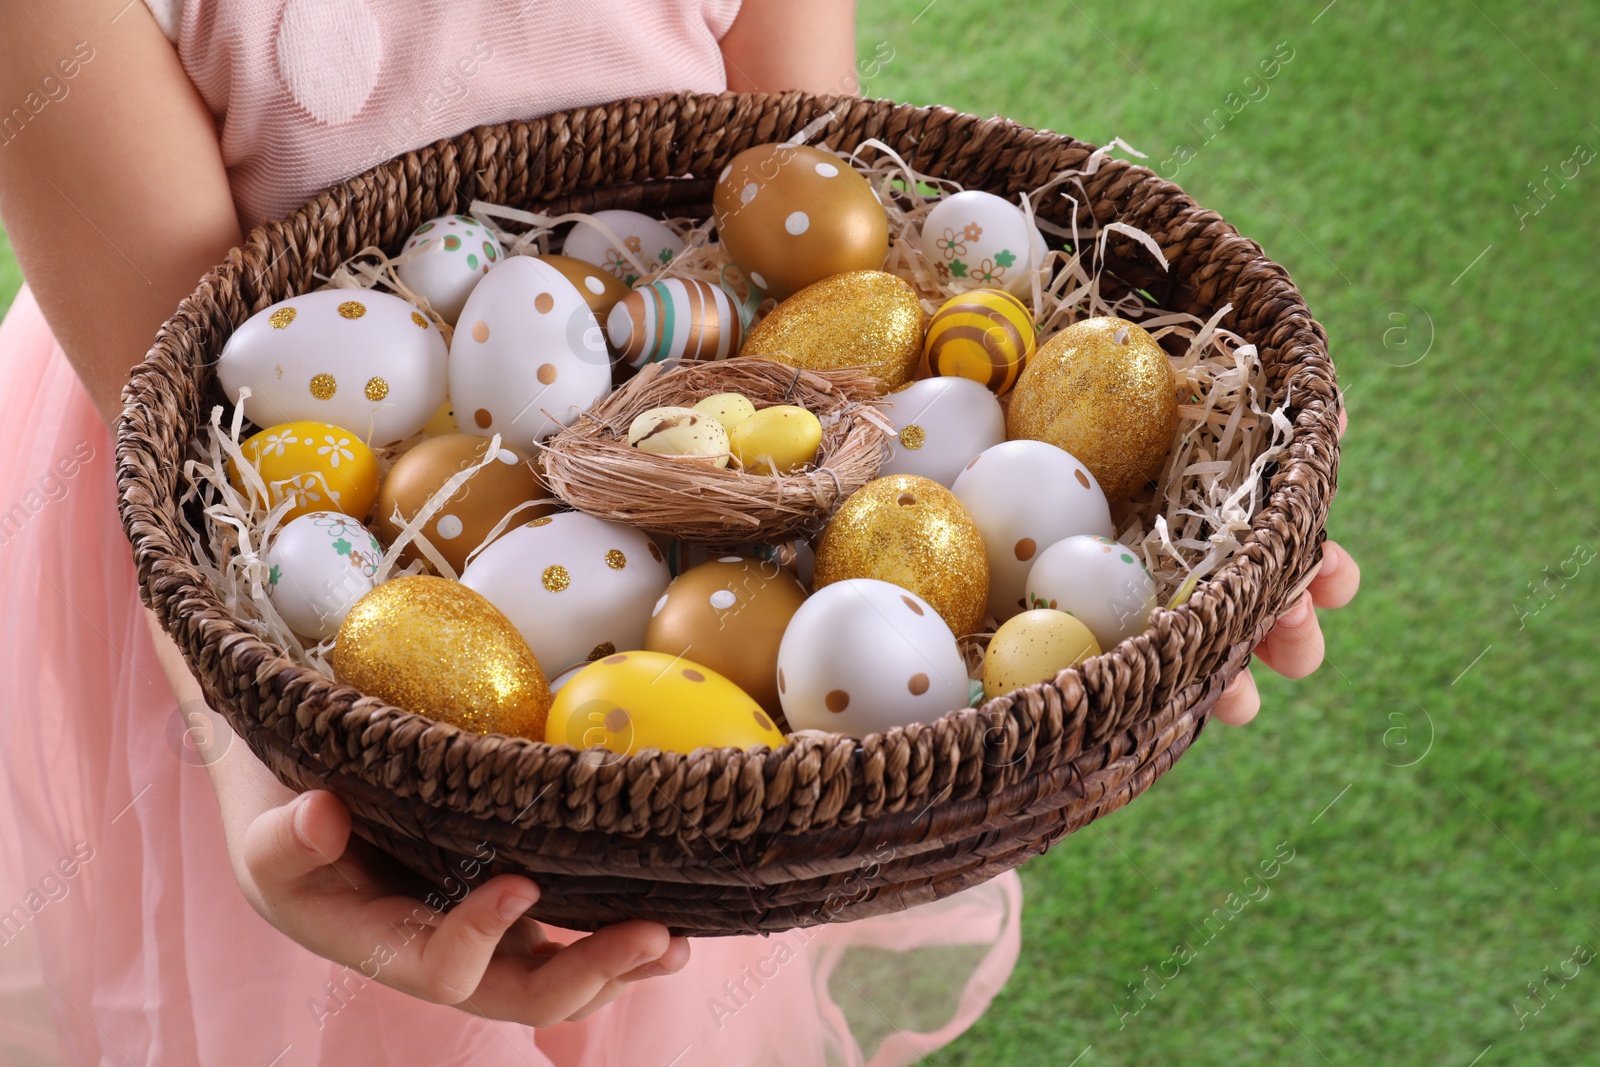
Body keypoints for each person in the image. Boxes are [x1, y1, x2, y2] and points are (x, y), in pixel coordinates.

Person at [0, 2, 1359, 1064]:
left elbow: (819, 241)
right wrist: (266, 777)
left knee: (669, 941)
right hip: (288, 637)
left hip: (707, 576)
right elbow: (191, 435)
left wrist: (1146, 554)